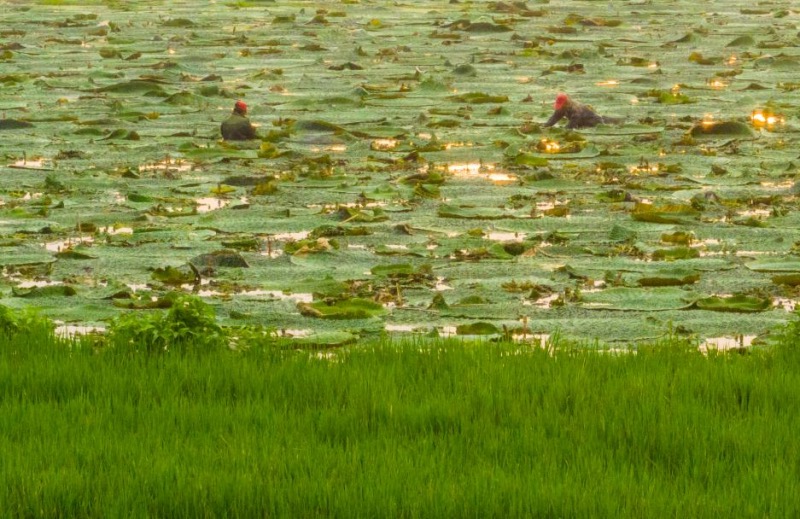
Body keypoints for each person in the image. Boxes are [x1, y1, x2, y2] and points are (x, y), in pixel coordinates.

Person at [542, 93, 621, 129]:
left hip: (593, 122)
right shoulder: (562, 108)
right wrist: (544, 127)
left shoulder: (575, 109)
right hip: (581, 124)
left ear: (566, 103)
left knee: (609, 123)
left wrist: (562, 131)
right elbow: (554, 118)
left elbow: (571, 125)